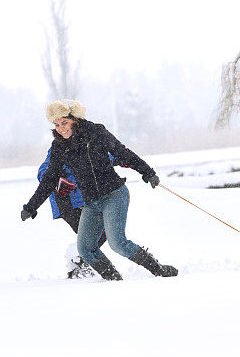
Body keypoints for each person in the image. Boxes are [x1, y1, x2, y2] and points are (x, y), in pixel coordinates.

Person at [21, 99, 177, 280]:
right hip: (91, 203)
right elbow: (48, 178)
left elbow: (122, 152)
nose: (61, 128)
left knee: (118, 243)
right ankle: (113, 279)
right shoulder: (59, 146)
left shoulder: (95, 133)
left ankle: (159, 270)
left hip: (114, 195)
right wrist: (31, 206)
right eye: (56, 125)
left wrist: (147, 172)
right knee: (85, 249)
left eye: (64, 123)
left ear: (75, 119)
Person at [37, 148, 107, 279]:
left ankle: (79, 262)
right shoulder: (60, 148)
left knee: (103, 230)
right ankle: (77, 260)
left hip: (83, 200)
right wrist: (56, 181)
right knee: (102, 230)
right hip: (67, 202)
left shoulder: (87, 145)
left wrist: (124, 160)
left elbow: (105, 157)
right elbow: (42, 171)